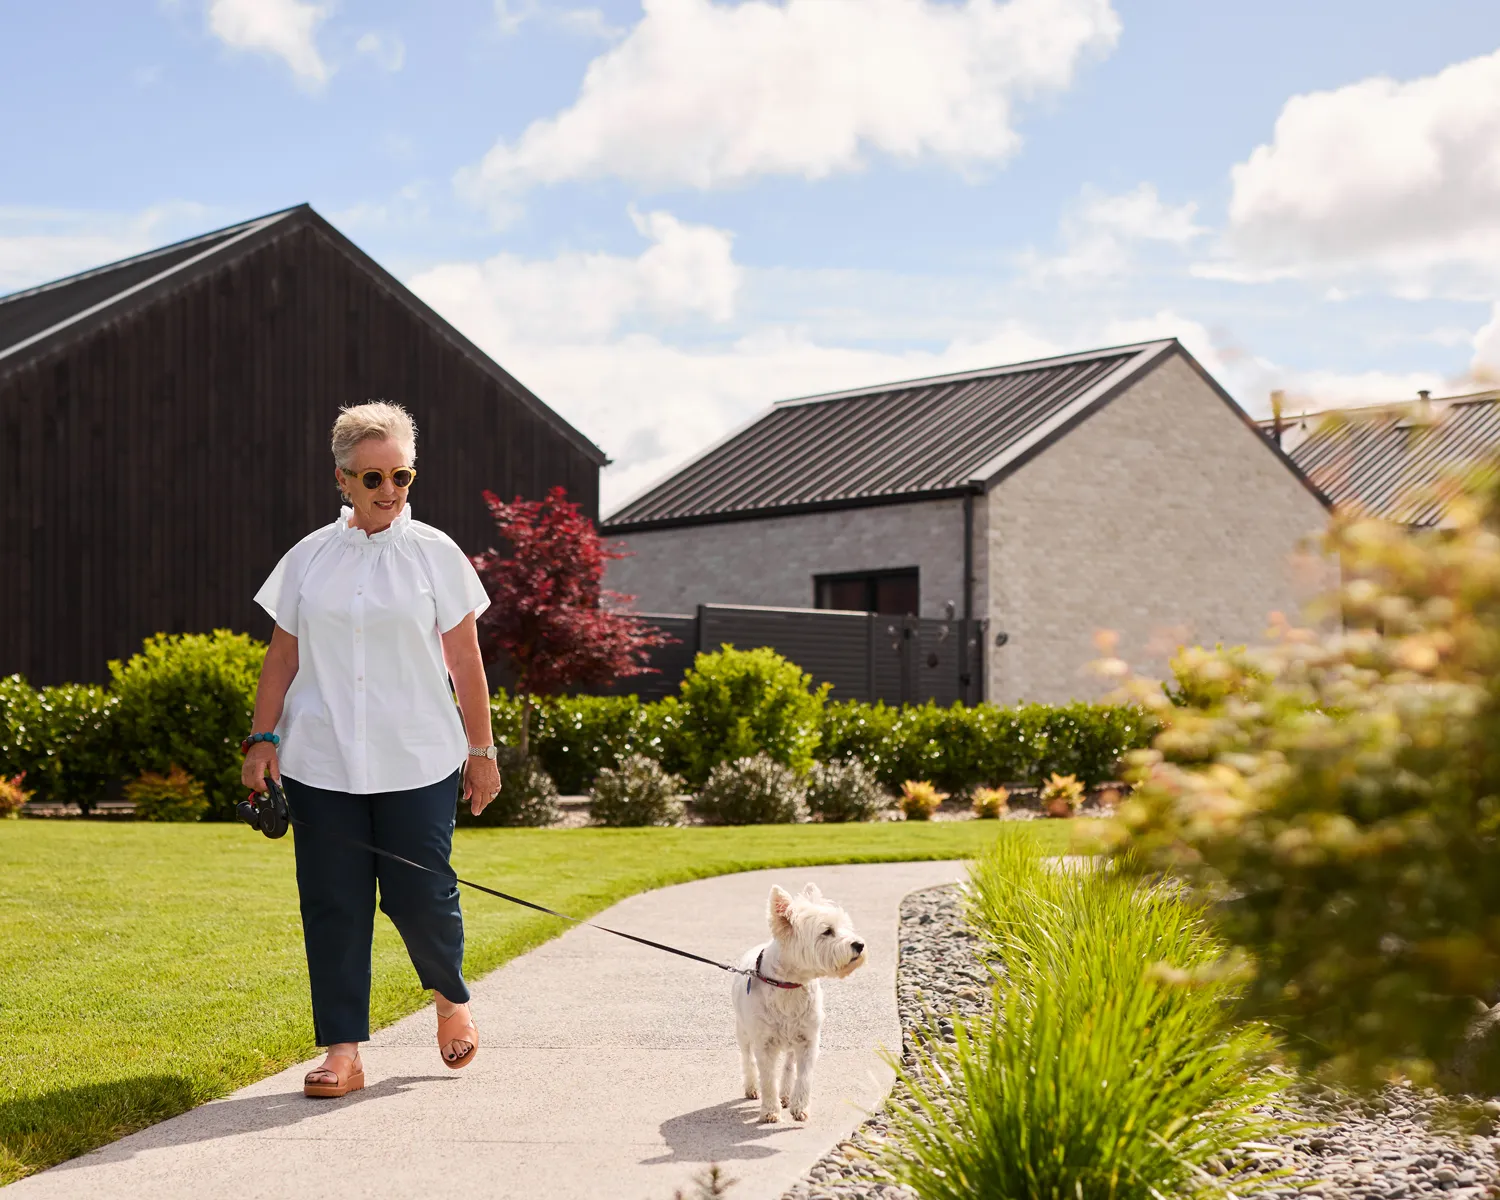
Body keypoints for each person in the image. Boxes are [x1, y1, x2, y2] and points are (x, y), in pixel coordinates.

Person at [242, 401, 502, 1099]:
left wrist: (482, 749)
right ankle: (344, 1053)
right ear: (342, 480)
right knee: (333, 903)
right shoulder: (309, 558)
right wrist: (262, 740)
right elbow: (282, 656)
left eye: (401, 475)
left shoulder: (436, 554)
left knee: (421, 895)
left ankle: (449, 998)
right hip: (321, 758)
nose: (389, 490)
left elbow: (466, 659)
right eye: (372, 478)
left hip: (416, 756)